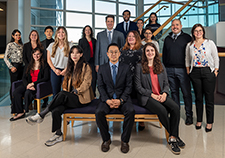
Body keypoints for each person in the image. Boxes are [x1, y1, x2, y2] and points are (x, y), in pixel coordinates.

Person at [26, 45, 94, 146]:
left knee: (61, 94)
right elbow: (65, 83)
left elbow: (87, 83)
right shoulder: (70, 67)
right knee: (56, 109)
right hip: (69, 97)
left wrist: (76, 91)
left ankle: (42, 114)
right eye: (72, 53)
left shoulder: (85, 66)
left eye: (77, 53)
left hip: (81, 98)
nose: (74, 55)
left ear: (81, 54)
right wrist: (67, 92)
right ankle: (58, 134)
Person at [135, 43, 185, 155]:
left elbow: (166, 84)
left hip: (161, 95)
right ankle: (174, 138)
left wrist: (164, 94)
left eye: (152, 50)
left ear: (155, 52)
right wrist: (152, 94)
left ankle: (173, 136)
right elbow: (138, 87)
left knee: (175, 108)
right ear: (144, 53)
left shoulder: (160, 65)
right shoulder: (139, 67)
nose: (150, 53)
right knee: (162, 110)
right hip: (147, 97)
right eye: (147, 51)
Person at [95, 43, 134, 153]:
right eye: (111, 52)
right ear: (107, 54)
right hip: (107, 98)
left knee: (130, 111)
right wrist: (107, 100)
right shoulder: (102, 68)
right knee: (99, 112)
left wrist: (121, 100)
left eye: (116, 52)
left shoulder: (126, 68)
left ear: (119, 54)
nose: (113, 54)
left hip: (123, 98)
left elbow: (129, 86)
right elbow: (100, 86)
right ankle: (106, 140)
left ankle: (125, 141)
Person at [185, 24, 219, 132]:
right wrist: (188, 71)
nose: (198, 32)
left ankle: (209, 122)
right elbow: (187, 59)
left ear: (203, 32)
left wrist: (216, 70)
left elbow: (215, 57)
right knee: (198, 98)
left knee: (209, 98)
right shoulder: (190, 45)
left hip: (208, 71)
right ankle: (199, 120)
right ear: (193, 33)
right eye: (196, 31)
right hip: (195, 72)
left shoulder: (210, 43)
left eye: (200, 30)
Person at [162, 19, 193, 125]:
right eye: (173, 25)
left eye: (177, 25)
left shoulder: (187, 38)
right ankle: (176, 114)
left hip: (183, 70)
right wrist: (165, 69)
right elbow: (165, 55)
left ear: (181, 26)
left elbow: (191, 54)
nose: (175, 26)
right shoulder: (167, 39)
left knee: (186, 93)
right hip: (169, 70)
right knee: (174, 93)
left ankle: (189, 115)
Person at [10, 47, 49, 121]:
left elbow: (46, 78)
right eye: (34, 54)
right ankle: (19, 111)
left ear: (41, 54)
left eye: (38, 54)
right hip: (27, 84)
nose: (36, 56)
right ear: (32, 55)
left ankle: (24, 110)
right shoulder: (29, 65)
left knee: (28, 93)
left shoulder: (44, 65)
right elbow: (24, 78)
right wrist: (28, 85)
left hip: (37, 85)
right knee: (16, 92)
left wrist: (33, 84)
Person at [47, 26, 73, 97]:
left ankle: (67, 107)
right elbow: (48, 60)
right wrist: (55, 70)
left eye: (63, 32)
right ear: (56, 34)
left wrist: (66, 69)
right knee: (55, 93)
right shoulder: (51, 45)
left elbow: (72, 59)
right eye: (59, 32)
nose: (61, 34)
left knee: (67, 92)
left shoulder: (70, 45)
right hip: (55, 71)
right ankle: (55, 107)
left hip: (66, 71)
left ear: (65, 34)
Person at [4, 29, 24, 105]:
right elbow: (5, 58)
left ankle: (20, 102)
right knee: (14, 85)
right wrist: (11, 67)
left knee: (21, 84)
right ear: (13, 36)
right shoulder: (10, 45)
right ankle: (13, 102)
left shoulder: (21, 45)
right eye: (16, 35)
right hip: (14, 66)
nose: (18, 36)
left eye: (19, 35)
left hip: (21, 67)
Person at [78, 25, 97, 97]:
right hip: (85, 62)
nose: (87, 31)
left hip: (93, 62)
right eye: (86, 30)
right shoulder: (81, 41)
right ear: (84, 32)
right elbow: (79, 52)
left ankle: (93, 95)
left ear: (91, 31)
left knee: (94, 79)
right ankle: (86, 96)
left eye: (89, 30)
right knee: (85, 79)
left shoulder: (94, 40)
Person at [41, 26, 55, 108]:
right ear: (45, 33)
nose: (49, 33)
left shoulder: (55, 42)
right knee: (45, 83)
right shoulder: (41, 43)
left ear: (53, 33)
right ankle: (45, 101)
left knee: (53, 83)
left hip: (53, 65)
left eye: (50, 31)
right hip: (44, 66)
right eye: (47, 31)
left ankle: (54, 100)